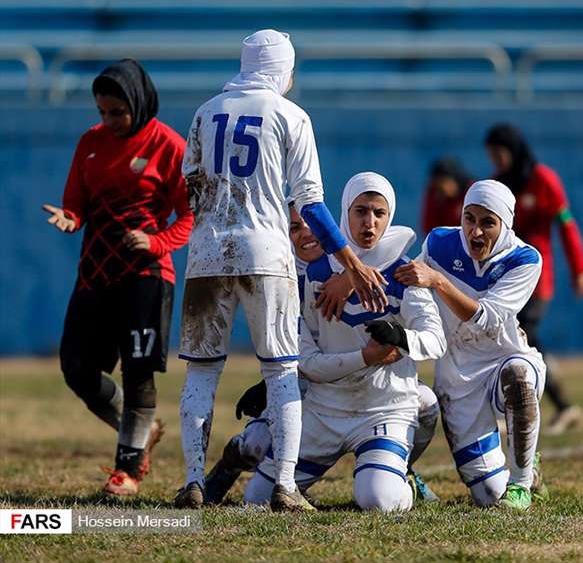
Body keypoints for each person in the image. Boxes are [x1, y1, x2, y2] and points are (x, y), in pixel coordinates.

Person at [176, 30, 388, 511]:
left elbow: (190, 187)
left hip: (206, 254)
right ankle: (286, 486)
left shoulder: (205, 112)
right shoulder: (291, 115)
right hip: (266, 254)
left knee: (202, 372)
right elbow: (309, 202)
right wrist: (351, 262)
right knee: (281, 371)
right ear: (281, 69)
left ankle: (192, 481)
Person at [201, 202, 442, 506]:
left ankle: (398, 469)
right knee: (255, 447)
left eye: (312, 225)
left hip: (379, 397)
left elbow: (389, 239)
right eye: (294, 228)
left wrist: (352, 275)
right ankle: (230, 465)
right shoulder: (282, 281)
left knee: (426, 402)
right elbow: (303, 358)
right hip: (311, 390)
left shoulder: (356, 261)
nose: (306, 234)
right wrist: (271, 385)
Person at [42, 59, 193, 496]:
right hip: (95, 273)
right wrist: (70, 218)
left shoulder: (169, 145)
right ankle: (139, 429)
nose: (108, 121)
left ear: (140, 103)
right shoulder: (90, 142)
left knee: (138, 370)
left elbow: (189, 215)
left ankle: (127, 469)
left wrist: (157, 242)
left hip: (145, 275)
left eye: (117, 112)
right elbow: (76, 203)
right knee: (76, 368)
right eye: (102, 112)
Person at [395, 179, 547, 510]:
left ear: (505, 224)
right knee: (489, 496)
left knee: (519, 376)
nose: (475, 232)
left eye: (487, 222)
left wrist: (438, 281)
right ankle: (399, 473)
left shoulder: (525, 259)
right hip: (457, 376)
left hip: (504, 358)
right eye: (469, 219)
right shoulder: (439, 243)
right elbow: (408, 282)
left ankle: (521, 483)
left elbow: (485, 318)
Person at [484, 124, 583, 435]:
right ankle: (556, 405)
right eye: (491, 155)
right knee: (514, 338)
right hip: (504, 276)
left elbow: (566, 224)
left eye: (499, 153)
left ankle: (540, 405)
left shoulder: (543, 180)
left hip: (537, 277)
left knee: (522, 335)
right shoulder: (497, 185)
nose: (496, 160)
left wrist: (580, 269)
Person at [421, 157, 473, 235]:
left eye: (443, 182)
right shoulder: (435, 194)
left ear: (456, 179)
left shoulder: (471, 192)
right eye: (437, 185)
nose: (442, 188)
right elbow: (428, 228)